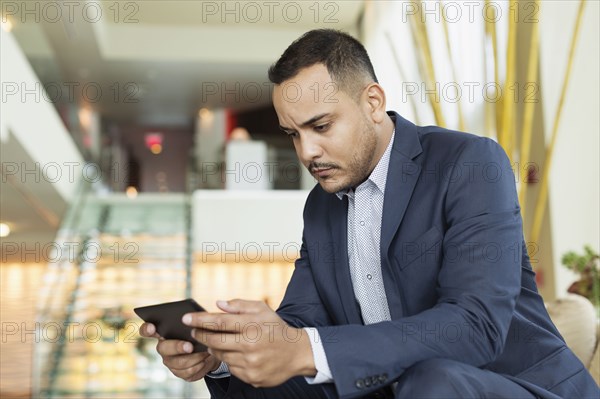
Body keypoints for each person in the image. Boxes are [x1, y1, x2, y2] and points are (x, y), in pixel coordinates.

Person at [139, 29, 599, 398]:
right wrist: (225, 356)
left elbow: (474, 325)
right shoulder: (320, 207)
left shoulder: (469, 163)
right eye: (292, 134)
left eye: (320, 126)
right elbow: (300, 329)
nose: (307, 151)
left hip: (518, 388)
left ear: (373, 103)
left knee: (428, 381)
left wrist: (305, 348)